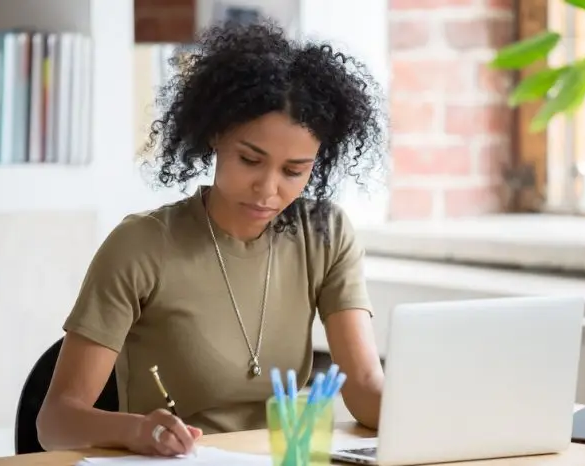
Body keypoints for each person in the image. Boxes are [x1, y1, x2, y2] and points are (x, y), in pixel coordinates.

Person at [37, 19, 386, 458]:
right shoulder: (142, 245)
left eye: (294, 171)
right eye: (249, 160)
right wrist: (138, 431)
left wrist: (440, 412)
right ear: (216, 135)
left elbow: (365, 389)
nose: (268, 189)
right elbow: (56, 422)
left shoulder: (325, 235)